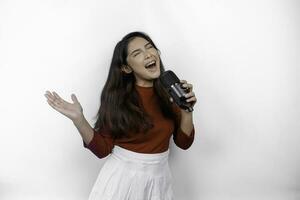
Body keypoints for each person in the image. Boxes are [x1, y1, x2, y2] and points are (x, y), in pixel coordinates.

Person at [44, 31, 197, 200]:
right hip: (123, 182)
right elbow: (102, 149)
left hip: (159, 181)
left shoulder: (170, 93)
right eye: (137, 53)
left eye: (149, 48)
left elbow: (184, 143)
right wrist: (79, 120)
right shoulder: (118, 99)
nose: (148, 54)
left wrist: (186, 110)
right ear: (126, 67)